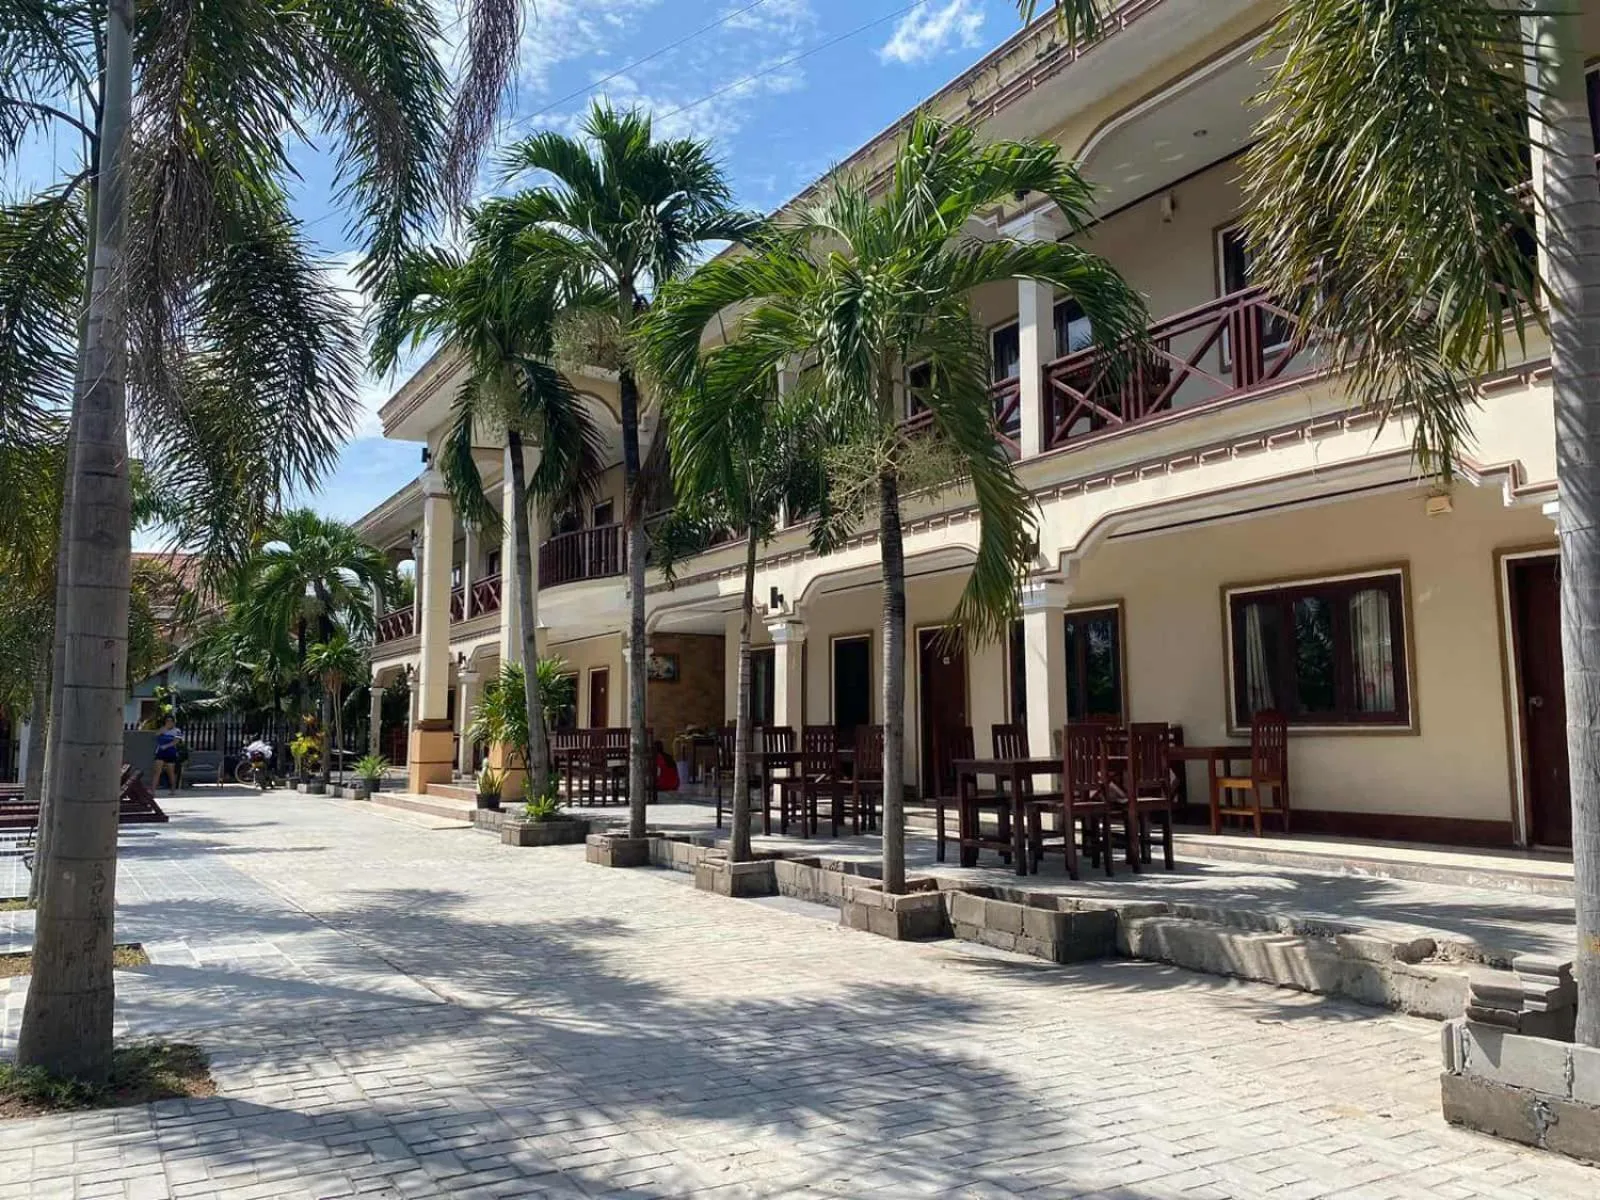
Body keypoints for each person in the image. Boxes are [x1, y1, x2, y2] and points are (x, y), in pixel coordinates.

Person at [153, 715, 184, 792]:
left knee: (170, 772)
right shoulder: (163, 729)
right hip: (160, 752)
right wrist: (164, 729)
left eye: (171, 721)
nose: (169, 722)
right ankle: (153, 790)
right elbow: (156, 735)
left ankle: (173, 789)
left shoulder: (177, 731)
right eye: (167, 721)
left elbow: (176, 741)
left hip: (170, 752)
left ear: (174, 722)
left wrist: (166, 746)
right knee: (157, 771)